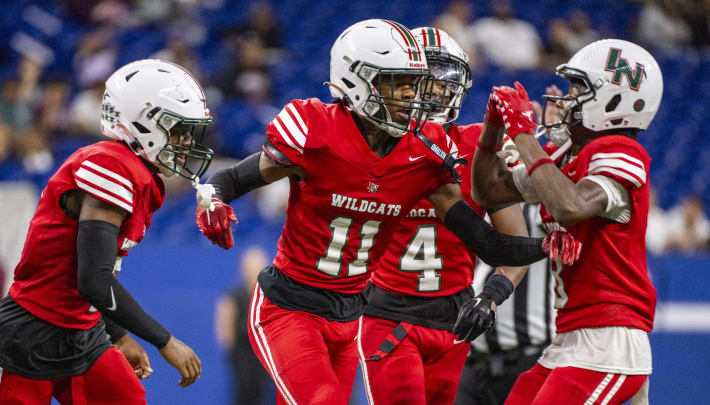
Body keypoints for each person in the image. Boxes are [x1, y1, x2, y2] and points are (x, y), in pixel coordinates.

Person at [196, 19, 578, 405]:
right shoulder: (317, 132)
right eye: (402, 83)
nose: (415, 95)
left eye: (416, 83)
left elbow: (491, 244)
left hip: (353, 314)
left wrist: (545, 245)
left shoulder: (427, 156)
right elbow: (234, 178)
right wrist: (211, 198)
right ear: (360, 82)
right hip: (301, 305)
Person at [0, 59, 214, 404]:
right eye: (177, 130)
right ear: (143, 123)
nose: (185, 142)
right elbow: (94, 280)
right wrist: (164, 340)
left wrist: (116, 333)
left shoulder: (135, 173)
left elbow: (88, 274)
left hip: (82, 329)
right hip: (34, 332)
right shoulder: (109, 165)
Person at [464, 39, 663, 404]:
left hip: (608, 342)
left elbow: (569, 206)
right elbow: (487, 191)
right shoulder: (572, 156)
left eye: (579, 89)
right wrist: (494, 128)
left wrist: (523, 134)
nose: (569, 99)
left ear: (613, 100)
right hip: (568, 338)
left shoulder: (621, 150)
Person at [357, 27, 530, 405]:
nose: (434, 92)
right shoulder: (375, 144)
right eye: (424, 81)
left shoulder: (477, 149)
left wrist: (491, 298)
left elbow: (513, 249)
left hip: (454, 318)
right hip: (389, 313)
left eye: (442, 80)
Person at [455, 203, 555, 405]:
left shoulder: (539, 207)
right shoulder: (476, 205)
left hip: (527, 359)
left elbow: (570, 208)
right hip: (471, 361)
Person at [215, 246, 274, 405]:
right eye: (250, 268)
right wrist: (232, 352)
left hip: (263, 356)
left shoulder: (270, 299)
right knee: (244, 391)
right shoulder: (233, 297)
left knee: (261, 393)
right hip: (241, 355)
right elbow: (225, 328)